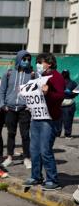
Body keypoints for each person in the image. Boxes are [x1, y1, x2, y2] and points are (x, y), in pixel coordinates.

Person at [22, 53, 65, 190]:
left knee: (45, 149)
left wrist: (48, 93)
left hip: (49, 119)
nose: (38, 64)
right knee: (34, 149)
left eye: (41, 62)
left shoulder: (56, 77)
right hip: (36, 118)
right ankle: (36, 176)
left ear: (49, 64)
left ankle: (53, 179)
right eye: (38, 62)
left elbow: (60, 96)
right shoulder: (38, 77)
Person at [0, 50, 33, 169]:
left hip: (25, 109)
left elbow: (37, 91)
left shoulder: (33, 74)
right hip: (10, 109)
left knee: (25, 135)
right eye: (24, 59)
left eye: (29, 60)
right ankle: (9, 157)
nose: (26, 62)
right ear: (19, 59)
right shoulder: (8, 73)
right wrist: (3, 105)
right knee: (11, 133)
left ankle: (27, 158)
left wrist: (31, 105)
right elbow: (2, 90)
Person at [56, 69, 77, 138]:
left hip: (69, 104)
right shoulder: (58, 82)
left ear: (68, 74)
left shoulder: (73, 83)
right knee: (58, 120)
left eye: (66, 73)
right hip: (59, 104)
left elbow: (76, 93)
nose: (65, 74)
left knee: (68, 120)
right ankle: (57, 134)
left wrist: (70, 93)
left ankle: (67, 134)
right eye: (64, 73)